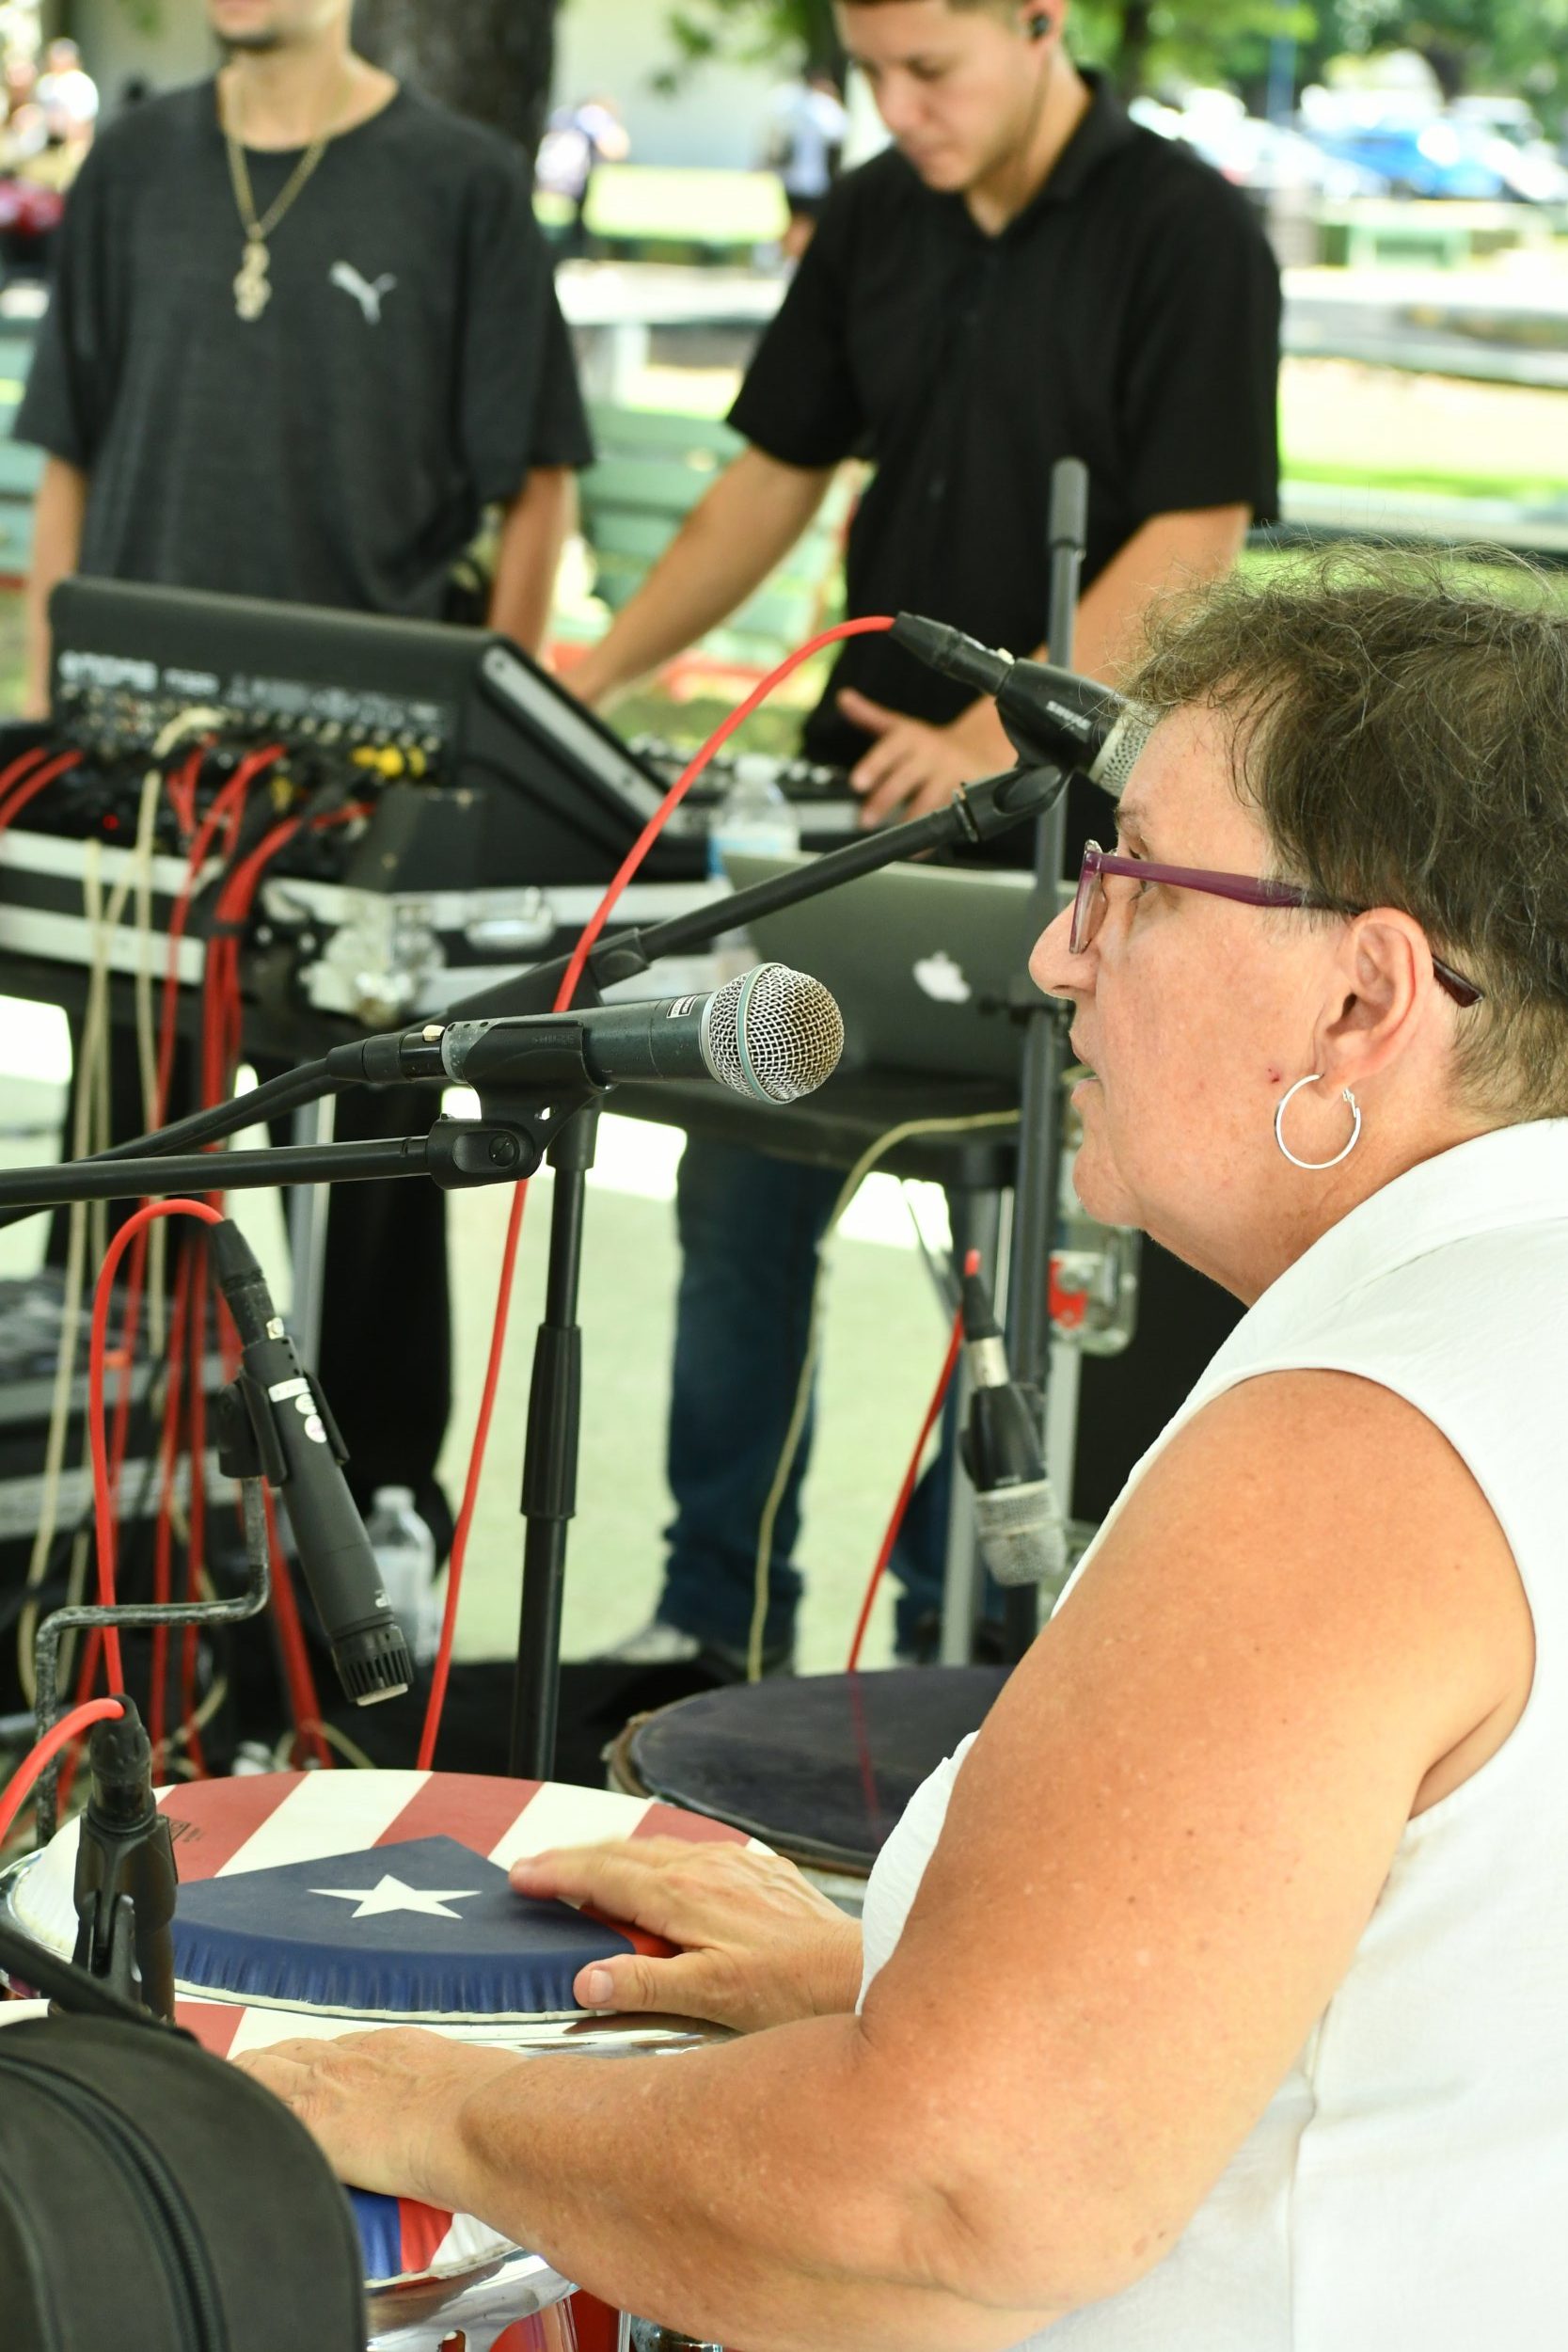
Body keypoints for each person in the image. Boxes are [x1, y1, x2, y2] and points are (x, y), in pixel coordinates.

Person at [245, 552, 1568, 2346]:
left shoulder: (1358, 1447)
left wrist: (425, 2107)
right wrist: (887, 1981)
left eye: (1132, 880)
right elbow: (1414, 2028)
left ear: (1360, 1000)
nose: (1055, 952)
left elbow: (940, 2207)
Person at [565, 0, 1280, 1675]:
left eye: (929, 71)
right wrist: (591, 674)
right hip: (858, 808)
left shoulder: (1184, 232)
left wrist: (992, 729)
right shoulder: (878, 215)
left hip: (1065, 840)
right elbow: (770, 477)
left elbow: (1194, 536)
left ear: (1042, 22)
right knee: (741, 1193)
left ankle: (947, 1660)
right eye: (866, 72)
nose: (894, 108)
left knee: (1010, 1257)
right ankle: (708, 1621)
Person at [11, 0, 593, 1548]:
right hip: (149, 785)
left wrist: (485, 745)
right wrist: (60, 705)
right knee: (130, 1175)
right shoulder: (131, 167)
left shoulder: (459, 184)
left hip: (364, 798)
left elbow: (537, 486)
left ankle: (382, 1514)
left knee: (374, 1171)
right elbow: (66, 455)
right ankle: (125, 1527)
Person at [763, 65, 849, 261]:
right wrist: (832, 99)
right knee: (806, 222)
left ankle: (779, 255)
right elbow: (839, 130)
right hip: (812, 178)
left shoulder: (788, 102)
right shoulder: (821, 106)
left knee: (795, 219)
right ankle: (794, 258)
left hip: (789, 175)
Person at [534, 93, 629, 260]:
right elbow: (616, 148)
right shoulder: (594, 117)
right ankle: (577, 247)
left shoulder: (565, 115)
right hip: (569, 176)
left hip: (543, 172)